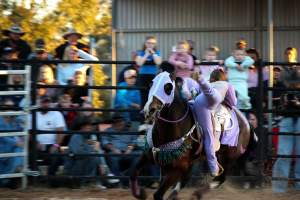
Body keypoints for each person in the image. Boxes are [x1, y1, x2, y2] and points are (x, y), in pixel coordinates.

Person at [193, 69, 238, 177]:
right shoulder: (227, 85)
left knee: (213, 96)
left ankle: (202, 81)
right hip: (206, 105)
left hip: (199, 101)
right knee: (209, 136)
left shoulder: (212, 84)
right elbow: (233, 103)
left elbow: (197, 94)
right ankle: (214, 168)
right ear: (223, 77)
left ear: (212, 78)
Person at [272, 47, 300, 193]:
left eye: (291, 53)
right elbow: (282, 85)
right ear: (285, 55)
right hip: (286, 114)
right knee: (284, 153)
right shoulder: (281, 70)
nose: (289, 55)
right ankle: (278, 188)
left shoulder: (297, 68)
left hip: (298, 113)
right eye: (287, 53)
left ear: (295, 55)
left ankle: (299, 186)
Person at [64, 116, 108, 188]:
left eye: (90, 125)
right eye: (87, 125)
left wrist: (101, 164)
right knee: (92, 157)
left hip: (82, 167)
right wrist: (93, 149)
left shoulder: (89, 137)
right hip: (73, 169)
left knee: (95, 157)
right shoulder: (76, 136)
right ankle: (88, 182)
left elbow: (95, 152)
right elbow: (78, 154)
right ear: (82, 127)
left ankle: (93, 181)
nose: (90, 127)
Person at [28, 95, 66, 175]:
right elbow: (29, 132)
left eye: (47, 102)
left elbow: (61, 132)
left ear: (50, 103)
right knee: (29, 153)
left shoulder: (56, 114)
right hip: (37, 144)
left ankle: (50, 177)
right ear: (39, 103)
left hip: (52, 144)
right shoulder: (32, 115)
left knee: (56, 154)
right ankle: (36, 177)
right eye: (43, 102)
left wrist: (55, 145)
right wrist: (35, 142)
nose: (46, 104)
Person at [0, 99, 23, 188]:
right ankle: (7, 180)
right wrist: (16, 142)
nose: (10, 109)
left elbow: (21, 132)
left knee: (20, 150)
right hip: (2, 150)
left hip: (11, 151)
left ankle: (8, 179)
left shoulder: (15, 120)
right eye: (7, 106)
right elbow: (2, 136)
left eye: (12, 107)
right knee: (18, 149)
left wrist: (20, 140)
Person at [135, 36, 162, 107]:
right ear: (145, 44)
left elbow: (158, 62)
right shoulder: (140, 52)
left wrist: (153, 54)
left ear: (155, 44)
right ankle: (143, 114)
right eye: (148, 43)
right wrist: (146, 54)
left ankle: (151, 114)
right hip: (143, 76)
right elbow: (139, 63)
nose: (150, 45)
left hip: (153, 77)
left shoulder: (157, 53)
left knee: (152, 96)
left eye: (153, 43)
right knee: (143, 96)